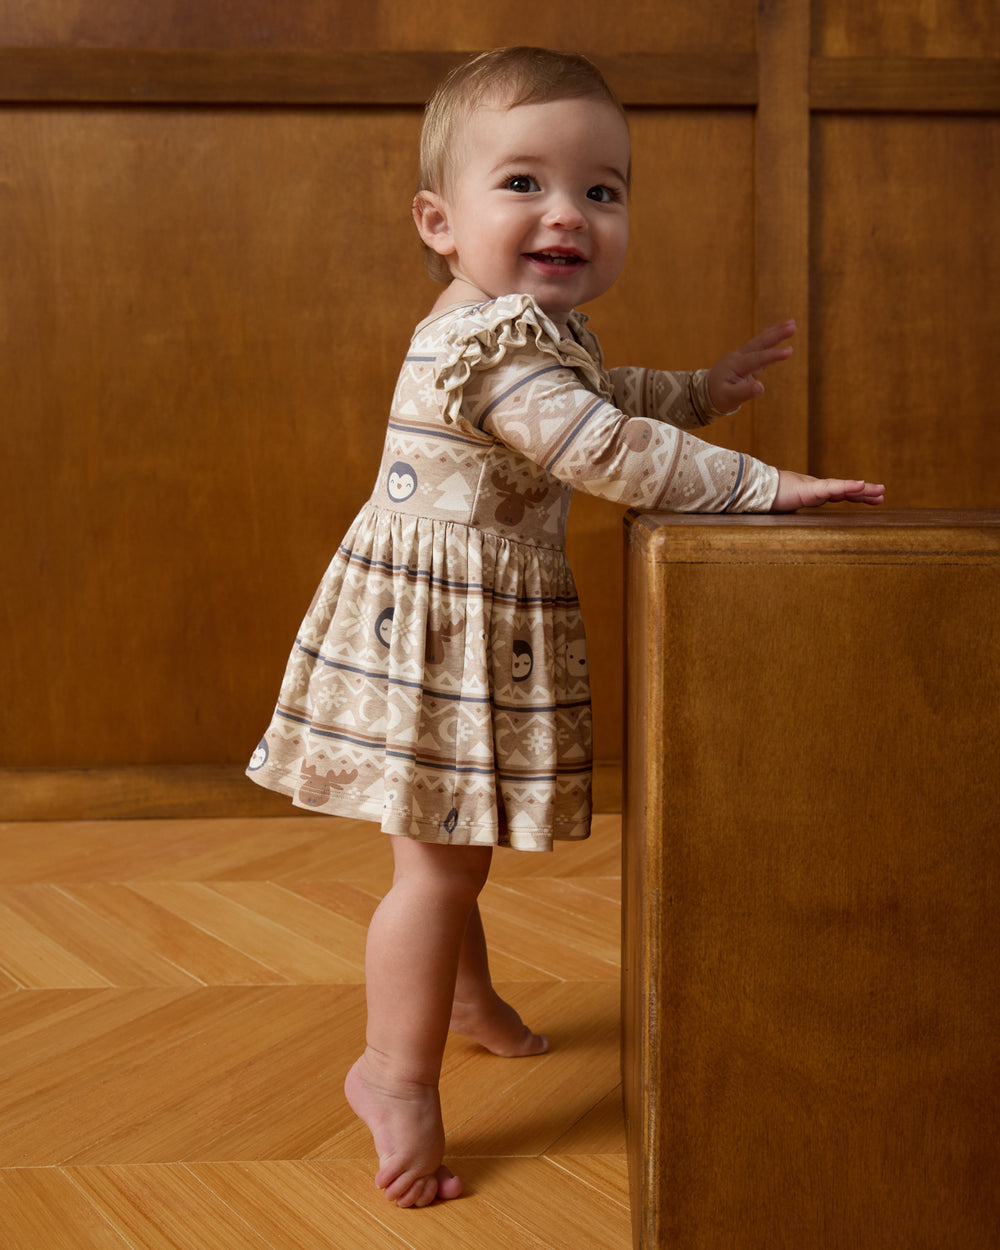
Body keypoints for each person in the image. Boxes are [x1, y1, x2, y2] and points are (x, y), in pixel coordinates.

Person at [246, 46, 884, 1208]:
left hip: (459, 622)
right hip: (434, 631)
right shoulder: (482, 346)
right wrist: (754, 484)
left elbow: (609, 391)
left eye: (601, 190)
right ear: (438, 220)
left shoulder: (530, 332)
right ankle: (392, 1071)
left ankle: (466, 998)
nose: (567, 214)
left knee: (448, 837)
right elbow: (593, 442)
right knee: (433, 867)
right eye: (524, 184)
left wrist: (698, 387)